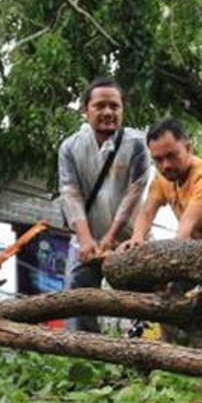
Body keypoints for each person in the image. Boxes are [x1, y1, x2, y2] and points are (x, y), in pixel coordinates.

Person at [57, 78, 150, 332]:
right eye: (100, 106)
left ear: (122, 110)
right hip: (86, 241)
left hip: (130, 239)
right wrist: (86, 239)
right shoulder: (69, 148)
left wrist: (110, 238)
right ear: (85, 110)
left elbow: (135, 191)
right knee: (77, 303)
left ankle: (149, 361)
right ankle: (85, 361)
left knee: (143, 305)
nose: (108, 112)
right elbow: (70, 193)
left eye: (114, 106)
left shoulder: (137, 144)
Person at [118, 118, 202, 249]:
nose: (165, 165)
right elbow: (147, 212)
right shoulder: (161, 178)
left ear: (188, 148)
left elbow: (186, 227)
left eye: (171, 156)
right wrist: (136, 238)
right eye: (158, 160)